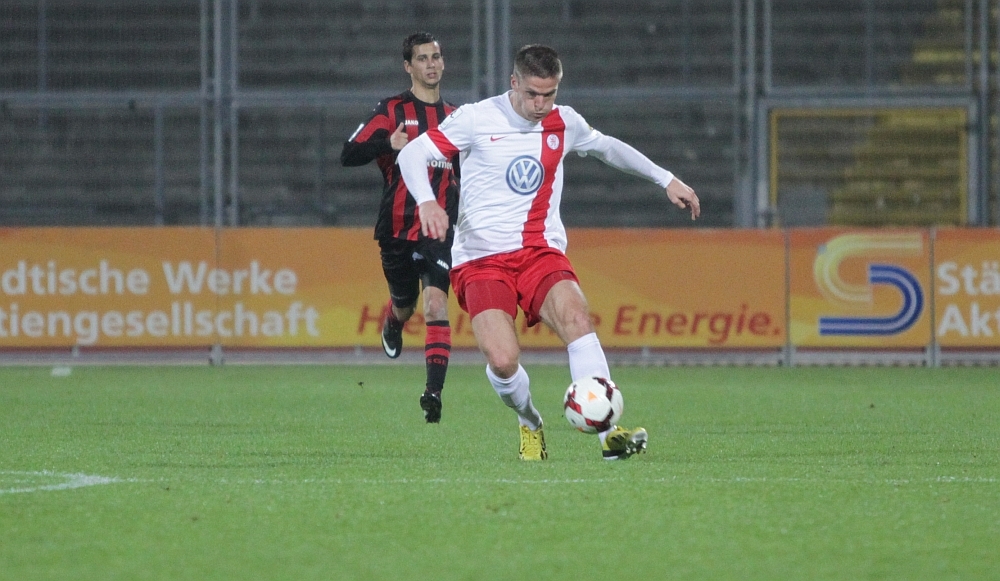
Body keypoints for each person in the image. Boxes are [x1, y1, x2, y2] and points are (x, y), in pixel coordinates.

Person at [398, 44, 700, 460]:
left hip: (540, 251)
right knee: (503, 360)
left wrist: (666, 179)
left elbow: (607, 147)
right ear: (514, 83)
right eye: (532, 94)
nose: (541, 104)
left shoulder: (564, 121)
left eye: (550, 94)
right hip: (481, 258)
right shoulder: (476, 118)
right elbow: (413, 153)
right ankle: (529, 420)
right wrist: (427, 202)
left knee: (577, 318)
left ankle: (609, 436)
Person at [340, 32, 460, 423]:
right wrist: (386, 144)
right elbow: (348, 153)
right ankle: (394, 321)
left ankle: (433, 393)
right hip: (396, 229)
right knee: (406, 304)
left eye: (436, 57)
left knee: (436, 304)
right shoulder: (391, 109)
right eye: (422, 58)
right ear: (408, 66)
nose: (431, 64)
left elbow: (466, 172)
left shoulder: (456, 118)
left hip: (437, 229)